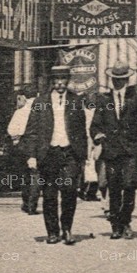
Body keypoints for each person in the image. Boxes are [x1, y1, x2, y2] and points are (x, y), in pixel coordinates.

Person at [23, 64, 94, 246]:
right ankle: (52, 232)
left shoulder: (76, 101)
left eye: (63, 80)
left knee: (69, 191)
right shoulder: (40, 102)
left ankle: (67, 229)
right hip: (49, 153)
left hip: (70, 153)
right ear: (52, 82)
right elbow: (31, 131)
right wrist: (31, 155)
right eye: (57, 80)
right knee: (49, 194)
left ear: (68, 81)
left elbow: (80, 131)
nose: (60, 84)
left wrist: (83, 156)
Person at [91, 64, 137, 240]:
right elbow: (95, 125)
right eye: (115, 79)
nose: (117, 82)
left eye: (121, 79)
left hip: (130, 150)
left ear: (126, 79)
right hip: (111, 151)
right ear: (112, 80)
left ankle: (126, 221)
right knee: (114, 188)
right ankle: (116, 226)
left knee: (130, 186)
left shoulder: (136, 99)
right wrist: (98, 136)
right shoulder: (103, 100)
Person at [6, 84, 39, 215]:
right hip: (36, 143)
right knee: (35, 174)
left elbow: (11, 130)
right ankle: (32, 204)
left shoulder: (20, 111)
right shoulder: (41, 110)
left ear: (24, 97)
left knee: (26, 175)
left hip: (22, 144)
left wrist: (17, 138)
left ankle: (26, 203)